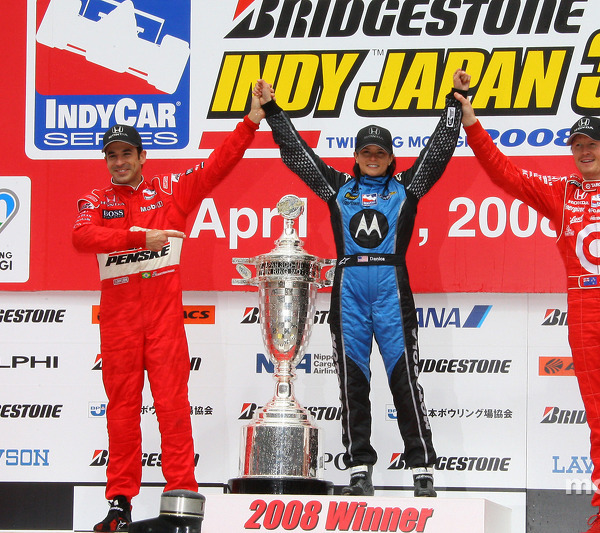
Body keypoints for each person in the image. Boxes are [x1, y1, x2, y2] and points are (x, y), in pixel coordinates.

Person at [453, 93, 600, 533]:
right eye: (577, 144)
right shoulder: (561, 193)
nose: (584, 151)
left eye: (592, 144)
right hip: (583, 314)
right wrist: (471, 123)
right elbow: (504, 173)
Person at [254, 69, 470, 497]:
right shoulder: (338, 188)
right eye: (367, 151)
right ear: (357, 155)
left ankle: (421, 469)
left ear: (391, 158)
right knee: (353, 385)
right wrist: (274, 111)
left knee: (404, 379)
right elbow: (298, 155)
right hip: (349, 288)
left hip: (391, 288)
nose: (373, 157)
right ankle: (358, 469)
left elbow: (439, 151)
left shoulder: (408, 187)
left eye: (380, 152)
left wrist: (455, 99)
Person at [73, 84, 268, 531]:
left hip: (162, 324)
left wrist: (251, 119)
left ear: (143, 157)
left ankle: (182, 498)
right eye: (112, 156)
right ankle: (119, 503)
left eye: (127, 154)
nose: (119, 162)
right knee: (121, 412)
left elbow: (217, 167)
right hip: (119, 326)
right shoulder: (95, 201)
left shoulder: (170, 192)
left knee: (174, 410)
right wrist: (140, 238)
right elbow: (81, 238)